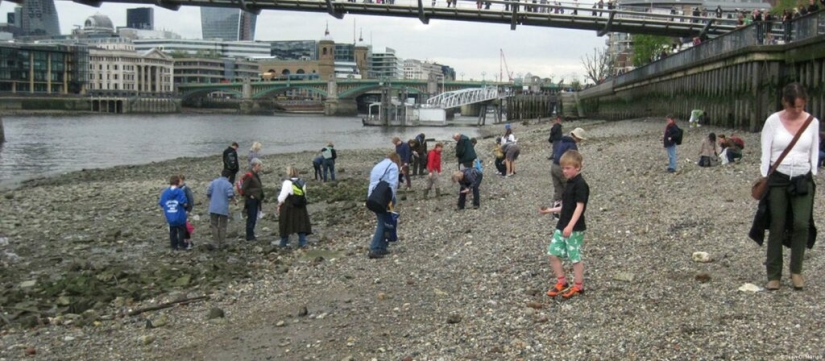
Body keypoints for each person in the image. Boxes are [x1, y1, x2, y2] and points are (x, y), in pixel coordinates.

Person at [751, 83, 819, 291]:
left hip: (802, 177)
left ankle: (796, 271)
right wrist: (765, 176)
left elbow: (815, 148)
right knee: (777, 225)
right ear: (785, 103)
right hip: (778, 178)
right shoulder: (773, 122)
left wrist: (812, 172)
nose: (797, 110)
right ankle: (774, 274)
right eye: (793, 107)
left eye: (801, 106)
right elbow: (766, 149)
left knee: (801, 224)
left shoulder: (812, 122)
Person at [539, 150, 590, 299]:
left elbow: (580, 207)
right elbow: (567, 206)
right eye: (563, 168)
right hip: (562, 225)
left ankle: (579, 286)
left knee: (575, 257)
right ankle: (562, 282)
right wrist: (550, 210)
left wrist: (570, 226)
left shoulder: (581, 184)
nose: (564, 171)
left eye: (568, 168)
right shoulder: (569, 183)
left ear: (578, 167)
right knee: (552, 253)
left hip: (574, 227)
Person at [367, 153, 401, 259]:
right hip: (385, 198)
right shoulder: (393, 166)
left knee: (382, 221)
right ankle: (375, 248)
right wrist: (392, 199)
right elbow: (393, 183)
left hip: (373, 196)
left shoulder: (378, 165)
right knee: (384, 222)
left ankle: (382, 246)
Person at [277, 166, 312, 248]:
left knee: (285, 224)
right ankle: (302, 242)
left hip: (289, 206)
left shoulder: (287, 182)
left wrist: (279, 203)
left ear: (289, 172)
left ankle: (283, 242)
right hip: (300, 206)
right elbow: (304, 194)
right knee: (301, 224)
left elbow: (283, 196)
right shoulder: (302, 182)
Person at [551, 128, 587, 207]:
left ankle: (555, 210)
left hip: (553, 166)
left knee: (558, 189)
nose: (580, 141)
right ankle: (569, 206)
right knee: (568, 187)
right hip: (562, 168)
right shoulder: (572, 145)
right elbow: (573, 159)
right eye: (580, 139)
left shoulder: (562, 141)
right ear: (577, 137)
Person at [159, 175, 189, 250]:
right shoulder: (180, 192)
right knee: (182, 230)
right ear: (178, 183)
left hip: (170, 215)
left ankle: (174, 246)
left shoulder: (165, 192)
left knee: (172, 231)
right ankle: (182, 244)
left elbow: (161, 203)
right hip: (179, 215)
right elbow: (184, 202)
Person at [206, 169, 235, 249]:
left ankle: (215, 243)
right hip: (223, 208)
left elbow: (208, 192)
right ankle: (222, 243)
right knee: (223, 226)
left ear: (221, 174)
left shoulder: (214, 182)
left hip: (213, 207)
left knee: (214, 225)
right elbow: (230, 195)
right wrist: (233, 199)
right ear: (229, 176)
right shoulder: (228, 184)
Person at [241, 158, 265, 241]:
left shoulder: (255, 174)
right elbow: (243, 188)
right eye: (260, 165)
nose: (261, 167)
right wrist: (250, 195)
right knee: (251, 217)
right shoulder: (249, 175)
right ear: (256, 166)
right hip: (251, 200)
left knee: (254, 217)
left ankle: (251, 234)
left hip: (256, 198)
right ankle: (249, 235)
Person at [179, 174, 195, 250]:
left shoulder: (186, 189)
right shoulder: (178, 189)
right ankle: (183, 241)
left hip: (185, 211)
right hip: (179, 211)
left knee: (185, 227)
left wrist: (188, 210)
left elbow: (191, 200)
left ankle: (187, 241)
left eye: (179, 181)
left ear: (182, 181)